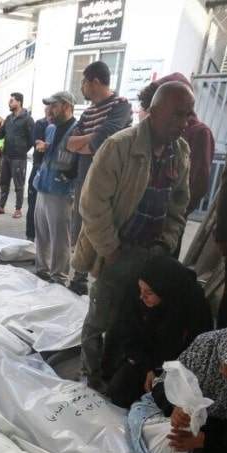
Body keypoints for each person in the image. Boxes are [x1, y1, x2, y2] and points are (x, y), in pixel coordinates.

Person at [75, 81, 194, 392]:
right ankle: (91, 379)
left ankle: (115, 373)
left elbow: (178, 204)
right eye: (177, 115)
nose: (183, 123)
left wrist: (166, 244)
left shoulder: (180, 152)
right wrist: (112, 251)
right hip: (116, 251)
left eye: (187, 115)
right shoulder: (119, 146)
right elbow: (92, 204)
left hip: (152, 255)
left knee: (133, 320)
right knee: (101, 318)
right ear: (154, 111)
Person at [100, 255, 211, 408]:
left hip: (178, 368)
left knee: (172, 404)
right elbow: (129, 336)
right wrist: (147, 368)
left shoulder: (193, 303)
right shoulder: (138, 298)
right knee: (119, 391)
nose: (142, 296)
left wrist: (167, 375)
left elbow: (199, 350)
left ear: (165, 290)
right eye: (140, 290)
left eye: (149, 292)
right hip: (147, 360)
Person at [67, 61, 133, 295]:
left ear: (95, 81)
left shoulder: (121, 106)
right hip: (84, 179)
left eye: (83, 82)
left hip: (109, 182)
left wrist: (86, 143)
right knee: (80, 229)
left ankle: (102, 284)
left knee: (101, 228)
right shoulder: (87, 112)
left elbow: (105, 140)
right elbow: (69, 142)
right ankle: (79, 279)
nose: (82, 87)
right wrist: (90, 142)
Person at [139, 73, 214, 258]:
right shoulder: (153, 129)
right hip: (139, 224)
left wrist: (174, 219)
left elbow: (196, 186)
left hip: (166, 229)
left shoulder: (199, 133)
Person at [150, 329, 227, 453]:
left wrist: (204, 440)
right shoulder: (205, 345)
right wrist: (174, 406)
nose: (222, 372)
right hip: (183, 420)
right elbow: (161, 383)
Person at [32, 92, 77, 285]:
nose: (49, 110)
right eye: (48, 106)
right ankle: (42, 269)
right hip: (43, 186)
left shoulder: (77, 131)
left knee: (59, 237)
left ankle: (59, 276)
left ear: (66, 106)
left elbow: (78, 164)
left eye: (54, 106)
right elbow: (46, 156)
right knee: (41, 233)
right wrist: (42, 147)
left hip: (61, 191)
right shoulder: (50, 129)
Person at [0, 92, 34, 219]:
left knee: (18, 185)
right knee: (3, 183)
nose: (9, 103)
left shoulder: (27, 119)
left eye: (11, 101)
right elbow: (1, 135)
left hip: (18, 158)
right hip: (6, 156)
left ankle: (18, 209)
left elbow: (32, 139)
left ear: (19, 102)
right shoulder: (9, 118)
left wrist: (22, 150)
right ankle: (1, 207)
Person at [27, 105, 53, 242]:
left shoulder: (61, 127)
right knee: (33, 203)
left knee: (48, 206)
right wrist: (42, 144)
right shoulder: (40, 123)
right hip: (38, 167)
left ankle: (45, 238)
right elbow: (37, 143)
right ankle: (30, 236)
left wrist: (47, 145)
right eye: (48, 107)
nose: (49, 110)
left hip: (52, 171)